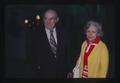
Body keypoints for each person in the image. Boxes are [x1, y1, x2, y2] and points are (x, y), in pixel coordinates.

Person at [26, 9, 72, 78]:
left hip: (62, 73)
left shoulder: (64, 32)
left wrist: (69, 70)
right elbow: (30, 55)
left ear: (57, 19)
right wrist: (35, 70)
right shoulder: (34, 34)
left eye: (51, 19)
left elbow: (68, 52)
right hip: (43, 74)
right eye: (45, 19)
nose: (48, 22)